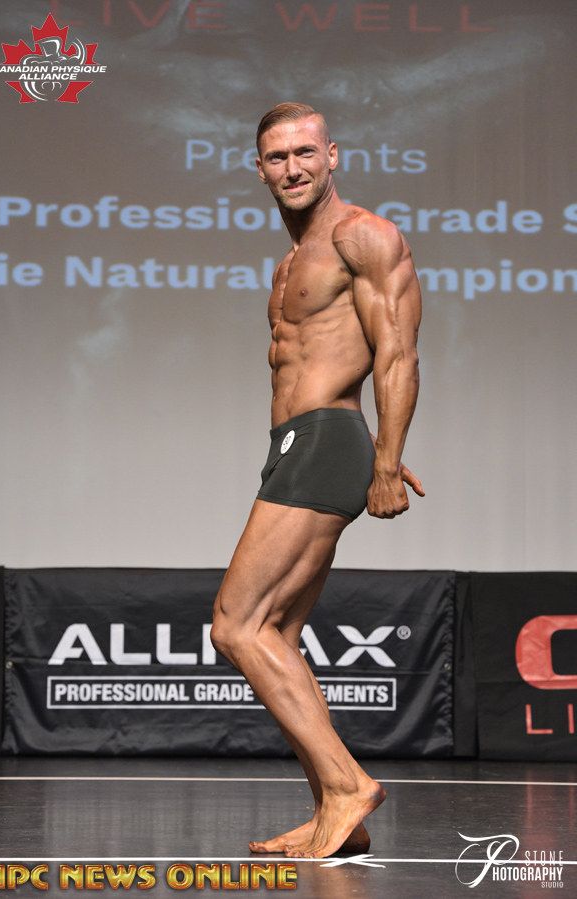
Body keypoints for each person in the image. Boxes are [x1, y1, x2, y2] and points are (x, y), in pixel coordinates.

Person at [210, 102, 424, 860]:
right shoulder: (290, 260)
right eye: (278, 158)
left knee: (235, 624)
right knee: (279, 635)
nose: (293, 168)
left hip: (326, 440)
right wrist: (366, 449)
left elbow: (397, 353)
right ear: (259, 170)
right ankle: (336, 813)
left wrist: (386, 460)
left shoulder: (362, 235)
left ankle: (346, 785)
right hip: (301, 444)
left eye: (305, 152)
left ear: (333, 155)